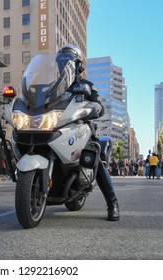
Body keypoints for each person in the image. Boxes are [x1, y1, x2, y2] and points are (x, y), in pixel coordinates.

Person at [58, 44, 119, 221]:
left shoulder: (86, 86)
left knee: (94, 158)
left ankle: (113, 203)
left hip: (81, 130)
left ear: (77, 65)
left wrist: (95, 107)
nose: (64, 65)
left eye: (68, 62)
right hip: (57, 128)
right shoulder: (52, 88)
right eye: (61, 62)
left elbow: (99, 107)